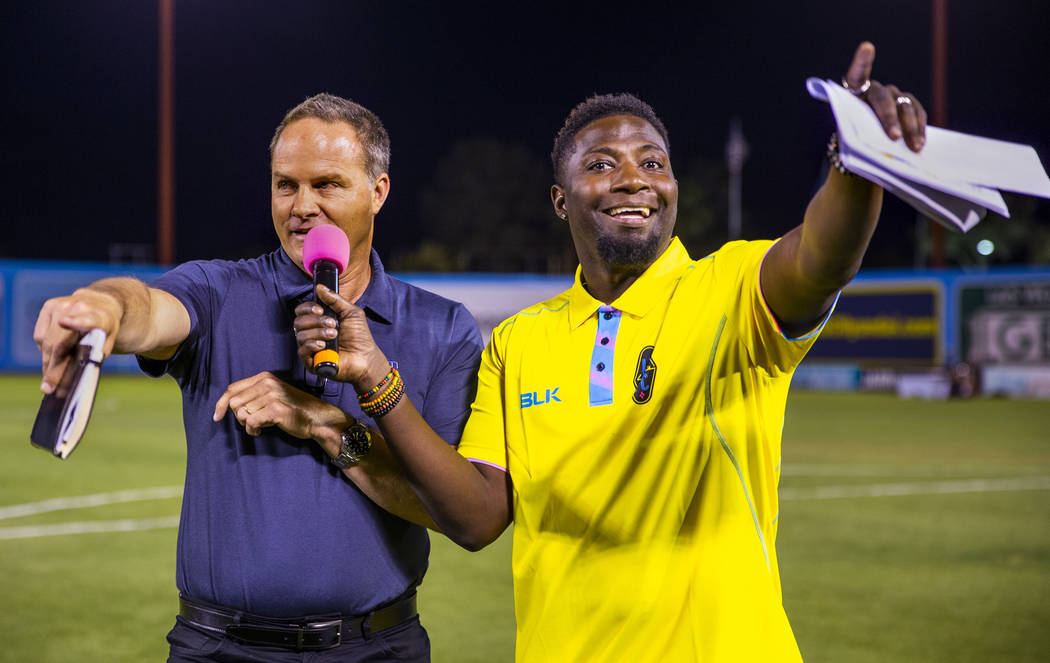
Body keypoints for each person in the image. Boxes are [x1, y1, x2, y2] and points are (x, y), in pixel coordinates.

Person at [292, 42, 926, 661]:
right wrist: (377, 381)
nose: (634, 180)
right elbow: (477, 516)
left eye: (653, 164)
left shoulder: (730, 290)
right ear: (560, 199)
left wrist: (856, 162)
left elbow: (822, 258)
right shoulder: (517, 342)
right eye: (601, 165)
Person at [33, 93, 483, 662]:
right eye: (284, 184)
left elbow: (454, 512)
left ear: (379, 191)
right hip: (217, 648)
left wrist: (325, 423)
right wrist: (101, 307)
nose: (302, 206)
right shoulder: (221, 293)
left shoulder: (443, 328)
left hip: (376, 649)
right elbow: (147, 307)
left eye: (327, 184)